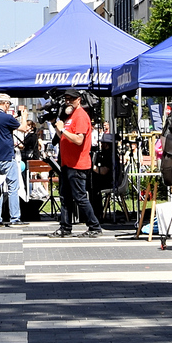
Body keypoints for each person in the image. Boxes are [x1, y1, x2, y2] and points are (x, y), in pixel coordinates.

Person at [53, 93, 103, 237]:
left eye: (71, 99)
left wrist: (63, 130)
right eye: (66, 99)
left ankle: (94, 226)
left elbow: (79, 140)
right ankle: (65, 227)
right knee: (65, 197)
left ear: (79, 100)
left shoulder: (80, 116)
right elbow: (63, 137)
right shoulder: (70, 116)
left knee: (79, 197)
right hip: (67, 164)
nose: (68, 101)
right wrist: (58, 127)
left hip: (77, 164)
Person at [0, 94, 26, 226]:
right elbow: (23, 128)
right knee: (13, 187)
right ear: (6, 104)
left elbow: (0, 127)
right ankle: (15, 218)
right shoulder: (7, 118)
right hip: (7, 156)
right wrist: (23, 117)